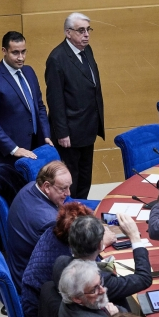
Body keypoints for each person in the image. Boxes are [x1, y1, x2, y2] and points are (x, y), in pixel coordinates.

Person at [45, 12, 105, 199]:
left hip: (88, 127)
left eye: (88, 30)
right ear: (68, 32)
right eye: (81, 30)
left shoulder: (87, 50)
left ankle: (82, 211)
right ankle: (71, 217)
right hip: (70, 133)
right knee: (72, 180)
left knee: (86, 178)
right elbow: (55, 100)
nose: (86, 34)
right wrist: (62, 133)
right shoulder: (57, 58)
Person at [48, 214, 151, 317]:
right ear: (99, 245)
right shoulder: (100, 282)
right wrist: (134, 237)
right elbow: (144, 278)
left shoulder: (60, 262)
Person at [0, 31, 52, 167]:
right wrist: (14, 149)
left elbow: (39, 106)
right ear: (4, 51)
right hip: (6, 156)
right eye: (15, 53)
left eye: (24, 52)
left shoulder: (29, 72)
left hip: (34, 148)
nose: (21, 58)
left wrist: (45, 134)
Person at [21, 202, 95, 317]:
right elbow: (92, 279)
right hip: (39, 313)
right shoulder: (65, 260)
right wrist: (98, 244)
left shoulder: (52, 232)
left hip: (38, 299)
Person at [7, 160, 72, 288]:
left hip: (18, 266)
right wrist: (100, 243)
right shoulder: (49, 221)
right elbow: (66, 260)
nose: (68, 193)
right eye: (63, 188)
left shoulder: (30, 186)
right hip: (32, 284)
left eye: (69, 187)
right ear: (47, 187)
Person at [57, 260, 127, 317]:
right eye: (94, 289)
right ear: (77, 298)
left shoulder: (68, 296)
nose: (103, 290)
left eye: (100, 283)